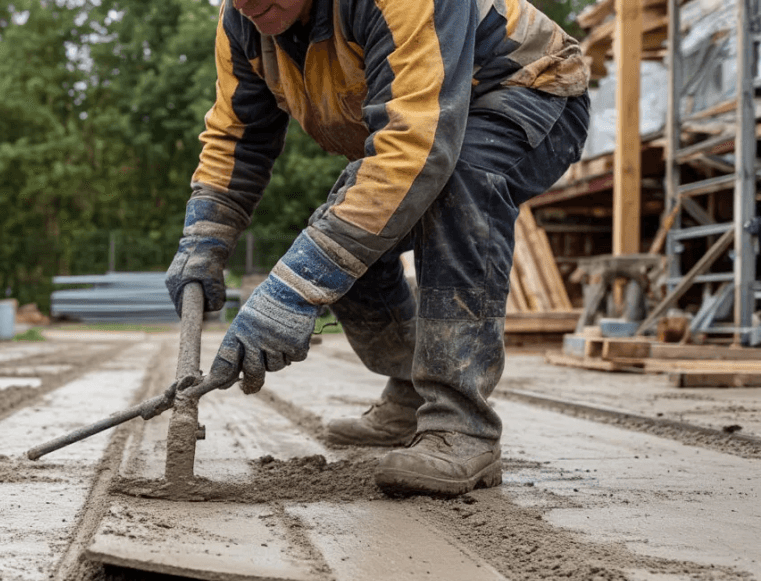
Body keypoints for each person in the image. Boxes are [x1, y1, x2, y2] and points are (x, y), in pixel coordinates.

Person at [165, 0, 590, 496]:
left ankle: (461, 426)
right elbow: (238, 137)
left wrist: (295, 289)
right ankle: (410, 393)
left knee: (456, 184)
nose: (244, 2)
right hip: (422, 120)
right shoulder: (242, 22)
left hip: (526, 90)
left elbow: (418, 147)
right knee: (341, 237)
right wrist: (204, 236)